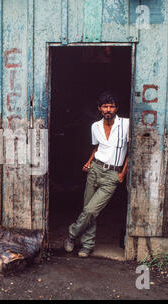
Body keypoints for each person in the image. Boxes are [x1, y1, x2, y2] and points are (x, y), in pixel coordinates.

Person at [64, 91, 129, 258]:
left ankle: (72, 233)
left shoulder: (126, 125)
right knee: (87, 209)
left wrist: (123, 173)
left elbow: (132, 150)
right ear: (100, 108)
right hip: (95, 169)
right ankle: (87, 246)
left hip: (112, 174)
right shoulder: (96, 126)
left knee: (92, 210)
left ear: (116, 108)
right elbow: (97, 148)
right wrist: (89, 161)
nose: (109, 109)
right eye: (105, 106)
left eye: (112, 106)